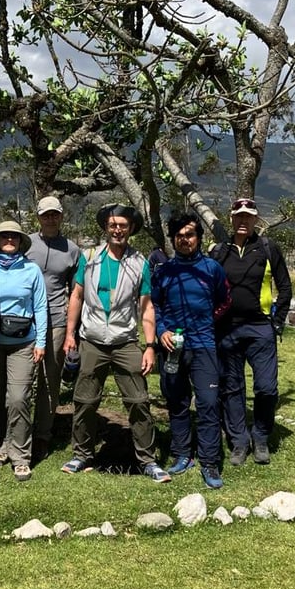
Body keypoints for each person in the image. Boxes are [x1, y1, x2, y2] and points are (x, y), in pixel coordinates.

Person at [61, 203, 169, 483]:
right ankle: (81, 454)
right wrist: (70, 334)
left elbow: (146, 308)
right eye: (113, 225)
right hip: (92, 339)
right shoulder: (90, 257)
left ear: (131, 229)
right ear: (106, 228)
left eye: (123, 225)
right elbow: (77, 296)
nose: (118, 229)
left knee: (138, 401)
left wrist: (149, 346)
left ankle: (147, 459)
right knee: (84, 400)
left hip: (124, 341)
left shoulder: (140, 263)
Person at [210, 198, 293, 465]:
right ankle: (239, 441)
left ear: (256, 220)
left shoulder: (268, 249)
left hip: (260, 329)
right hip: (227, 330)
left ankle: (260, 437)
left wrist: (277, 321)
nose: (243, 221)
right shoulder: (218, 251)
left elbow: (285, 287)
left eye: (248, 216)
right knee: (231, 388)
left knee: (267, 388)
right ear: (231, 219)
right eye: (239, 216)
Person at [151, 213, 231, 488]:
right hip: (172, 347)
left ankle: (210, 462)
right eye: (180, 235)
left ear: (198, 238)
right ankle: (182, 453)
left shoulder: (211, 269)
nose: (185, 240)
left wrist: (207, 322)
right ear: (173, 239)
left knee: (208, 402)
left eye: (190, 234)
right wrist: (162, 331)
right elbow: (156, 306)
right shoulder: (163, 271)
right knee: (177, 402)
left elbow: (224, 301)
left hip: (204, 346)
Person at [0, 221, 48, 481]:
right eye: (4, 236)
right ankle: (1, 445)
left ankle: (21, 455)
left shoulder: (32, 270)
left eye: (14, 236)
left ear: (21, 242)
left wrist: (41, 342)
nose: (9, 240)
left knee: (19, 398)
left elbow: (40, 306)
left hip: (24, 342)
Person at [24, 195, 81, 463]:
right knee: (22, 378)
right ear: (38, 217)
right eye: (45, 214)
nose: (50, 219)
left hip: (56, 320)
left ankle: (43, 435)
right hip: (26, 320)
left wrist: (72, 331)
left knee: (50, 378)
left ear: (61, 216)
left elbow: (75, 292)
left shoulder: (71, 249)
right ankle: (18, 432)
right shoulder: (26, 244)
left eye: (54, 214)